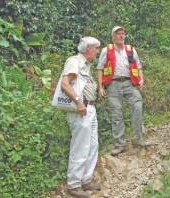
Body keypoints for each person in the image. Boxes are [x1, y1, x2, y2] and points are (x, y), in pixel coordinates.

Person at [96, 26, 151, 156]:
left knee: (137, 105)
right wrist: (100, 87)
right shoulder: (106, 50)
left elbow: (138, 66)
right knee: (116, 113)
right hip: (113, 84)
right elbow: (100, 68)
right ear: (113, 37)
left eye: (122, 33)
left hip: (129, 83)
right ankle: (120, 144)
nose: (121, 36)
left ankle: (137, 139)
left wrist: (141, 80)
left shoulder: (130, 49)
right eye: (118, 34)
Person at [61, 37, 101, 198]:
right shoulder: (74, 61)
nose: (97, 51)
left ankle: (85, 179)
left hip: (89, 108)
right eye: (96, 48)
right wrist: (78, 102)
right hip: (80, 109)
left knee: (92, 145)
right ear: (88, 48)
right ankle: (73, 185)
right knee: (80, 146)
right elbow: (65, 83)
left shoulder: (86, 64)